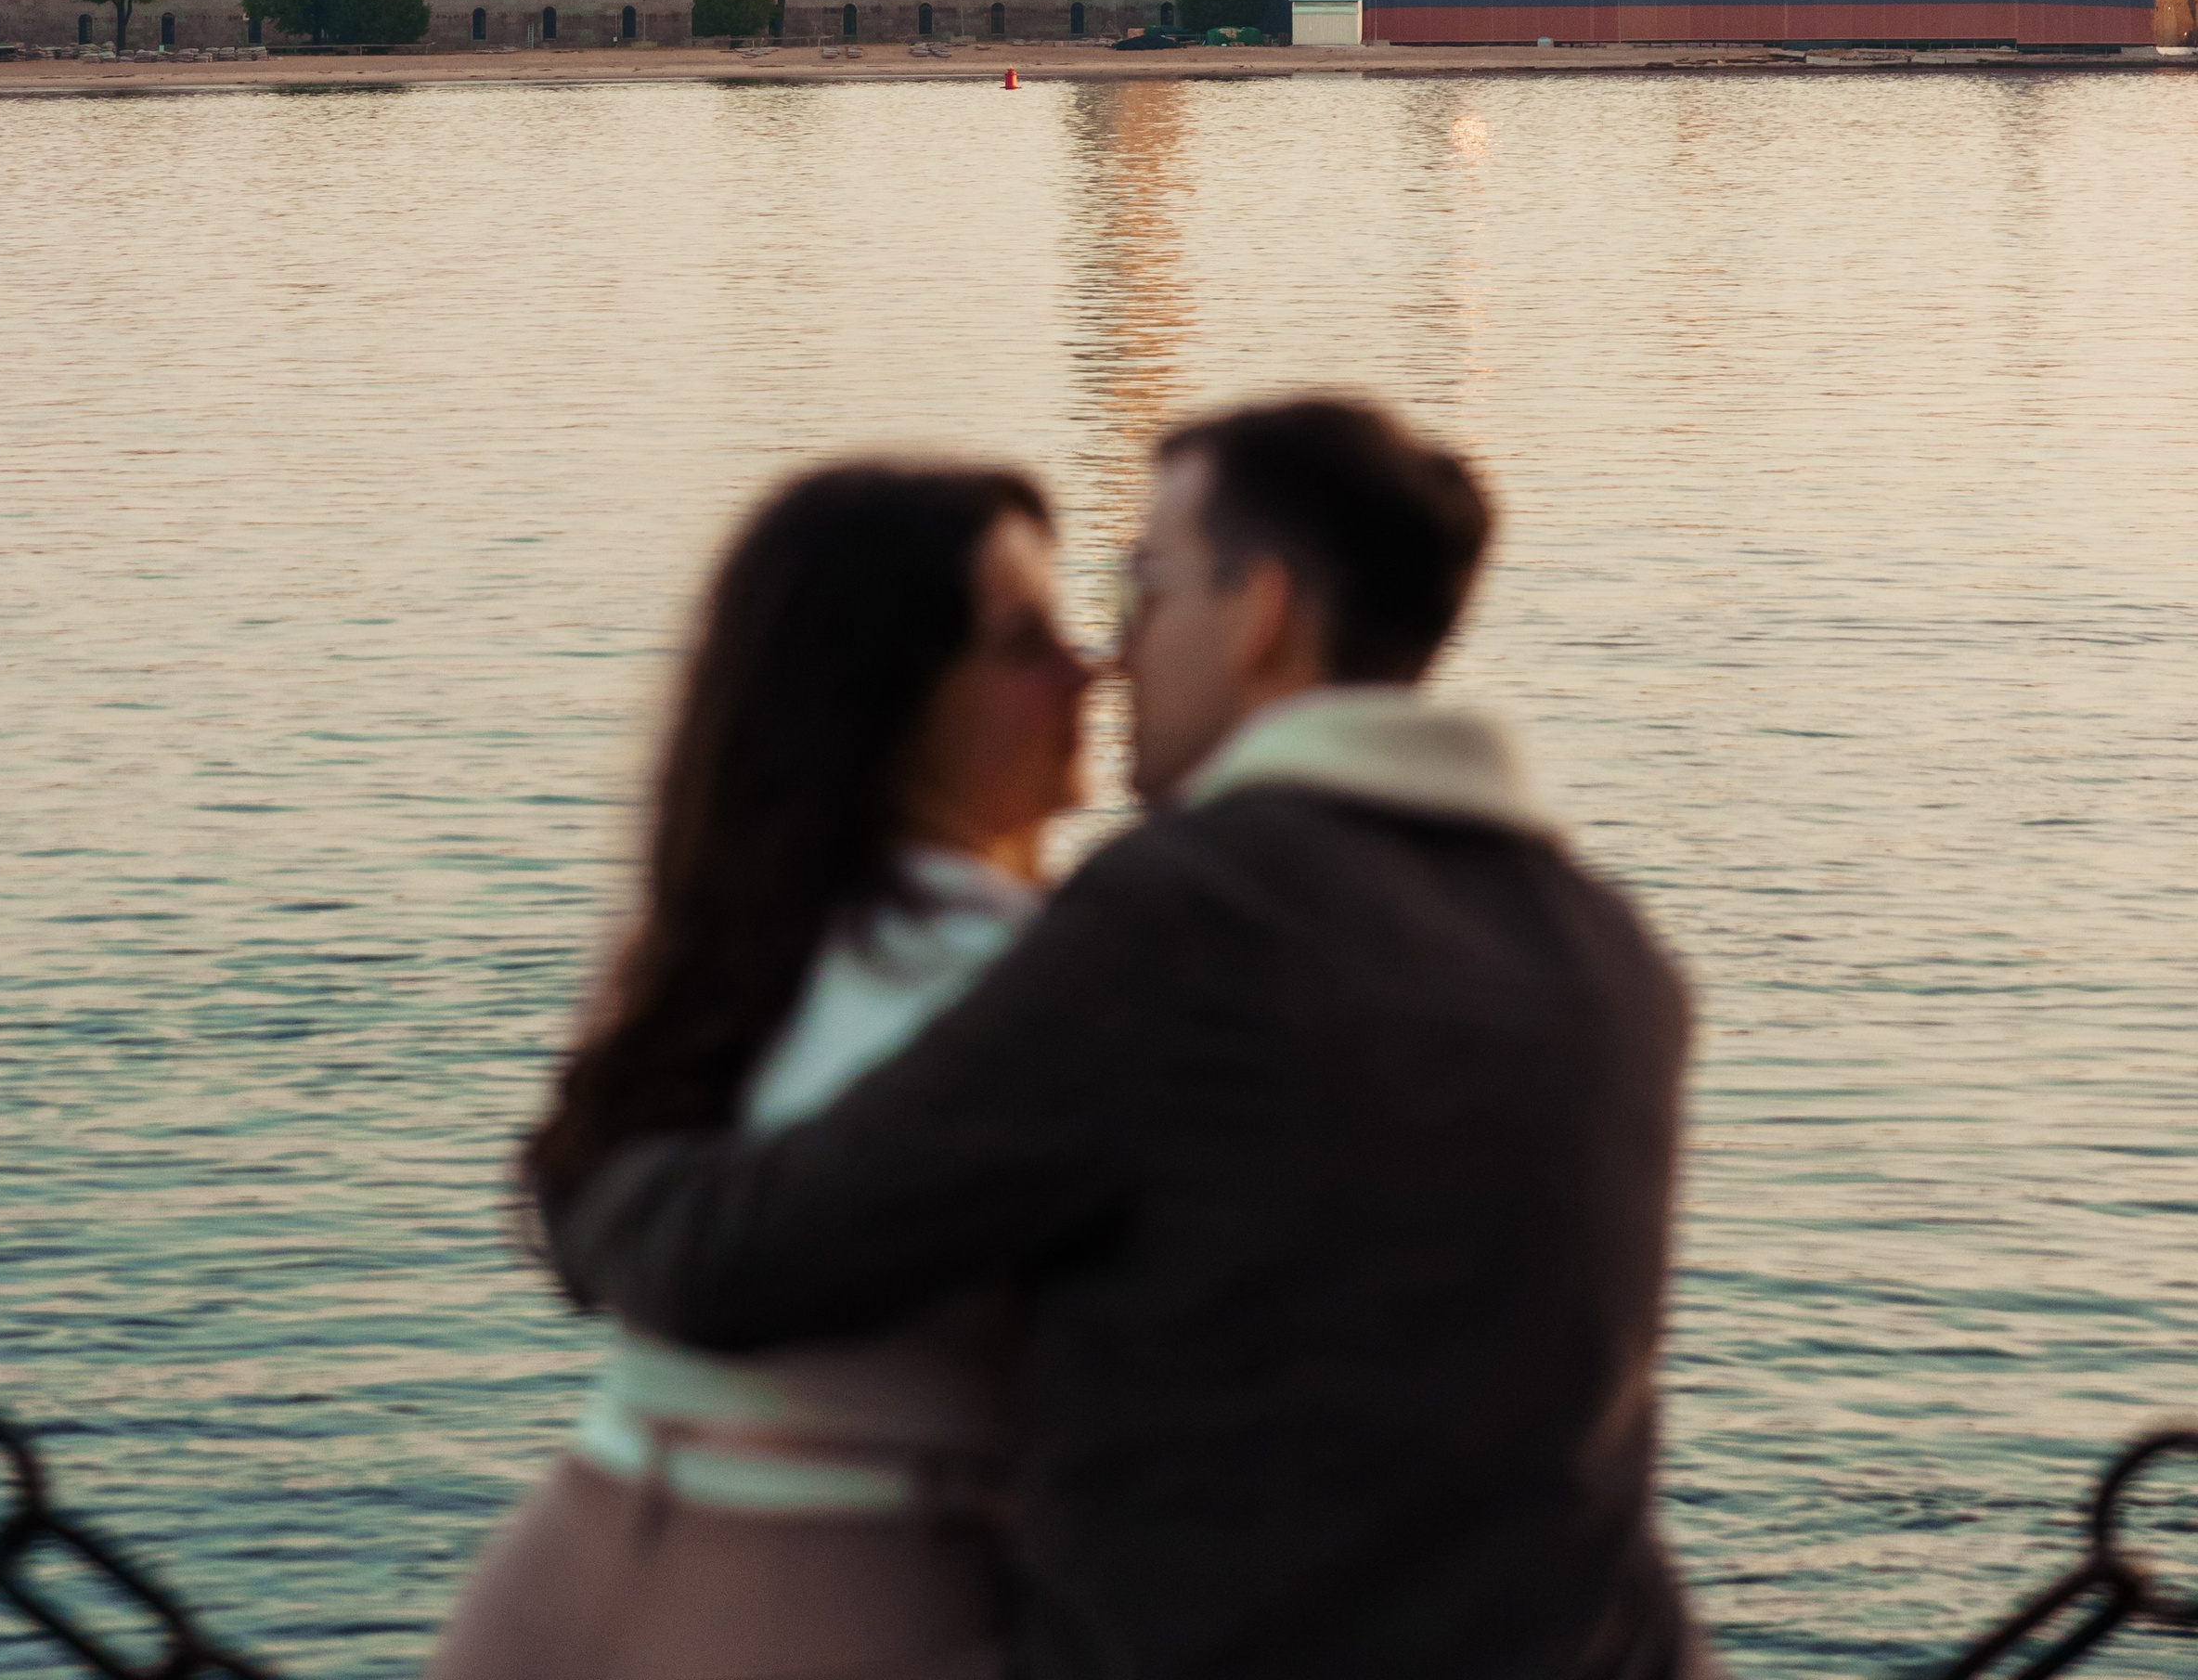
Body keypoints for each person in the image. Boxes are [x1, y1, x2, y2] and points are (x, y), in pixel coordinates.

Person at [550, 396, 1705, 1680]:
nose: (1114, 651)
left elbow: (751, 1255)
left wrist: (599, 1172)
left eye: (1141, 585)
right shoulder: (1613, 955)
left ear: (1260, 612)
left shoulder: (1193, 914)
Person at [429, 458, 1092, 1680]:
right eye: (1024, 643)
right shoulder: (1040, 982)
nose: (1087, 671)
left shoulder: (720, 953)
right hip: (834, 1593)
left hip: (563, 1569)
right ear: (888, 705)